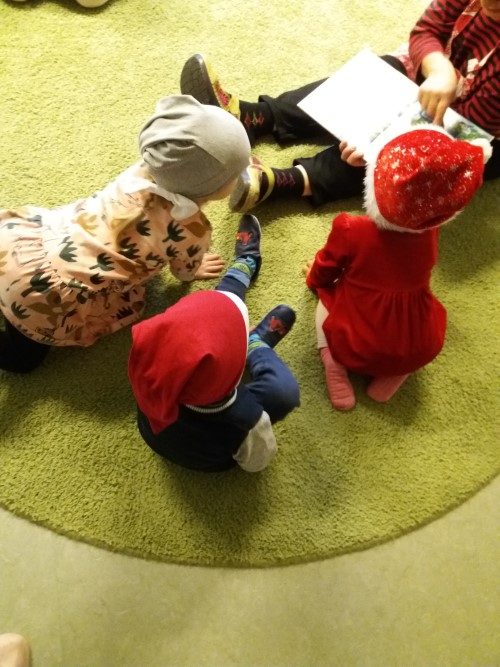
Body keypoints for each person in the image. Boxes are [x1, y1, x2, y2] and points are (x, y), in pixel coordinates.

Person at [0, 95, 251, 373]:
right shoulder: (193, 230)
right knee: (22, 360)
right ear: (210, 188)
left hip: (16, 246)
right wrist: (193, 267)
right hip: (46, 298)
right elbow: (183, 272)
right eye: (236, 174)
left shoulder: (143, 169)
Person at [180, 0, 499, 213]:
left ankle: (284, 181)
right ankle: (253, 117)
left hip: (474, 133)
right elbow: (426, 31)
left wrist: (378, 142)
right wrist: (439, 69)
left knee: (392, 162)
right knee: (371, 75)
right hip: (437, 79)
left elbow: (456, 133)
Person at [303, 126, 485, 410]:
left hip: (357, 341)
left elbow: (327, 265)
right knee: (418, 341)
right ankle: (393, 376)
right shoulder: (430, 231)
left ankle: (333, 364)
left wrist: (314, 280)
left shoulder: (351, 228)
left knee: (325, 301)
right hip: (414, 346)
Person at [128, 214, 300, 472]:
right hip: (212, 459)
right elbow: (256, 463)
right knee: (284, 392)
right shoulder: (247, 420)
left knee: (213, 313)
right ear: (235, 375)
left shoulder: (144, 364)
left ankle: (245, 264)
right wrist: (244, 342)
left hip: (154, 433)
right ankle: (256, 345)